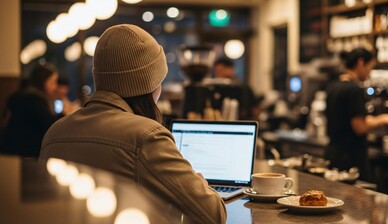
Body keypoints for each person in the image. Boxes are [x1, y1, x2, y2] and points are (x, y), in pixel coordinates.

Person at [39, 24, 226, 224]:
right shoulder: (147, 137)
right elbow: (213, 214)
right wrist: (198, 184)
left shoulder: (54, 133)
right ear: (149, 84)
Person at [325, 48, 388, 181]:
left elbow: (346, 117)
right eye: (370, 67)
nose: (370, 73)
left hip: (333, 154)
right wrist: (382, 119)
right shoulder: (354, 89)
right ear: (361, 63)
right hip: (350, 158)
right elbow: (359, 127)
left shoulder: (333, 86)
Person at [0, 63, 61, 158]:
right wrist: (65, 114)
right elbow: (51, 126)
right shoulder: (34, 100)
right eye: (52, 82)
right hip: (26, 153)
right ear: (43, 81)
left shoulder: (17, 95)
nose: (55, 86)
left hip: (7, 148)